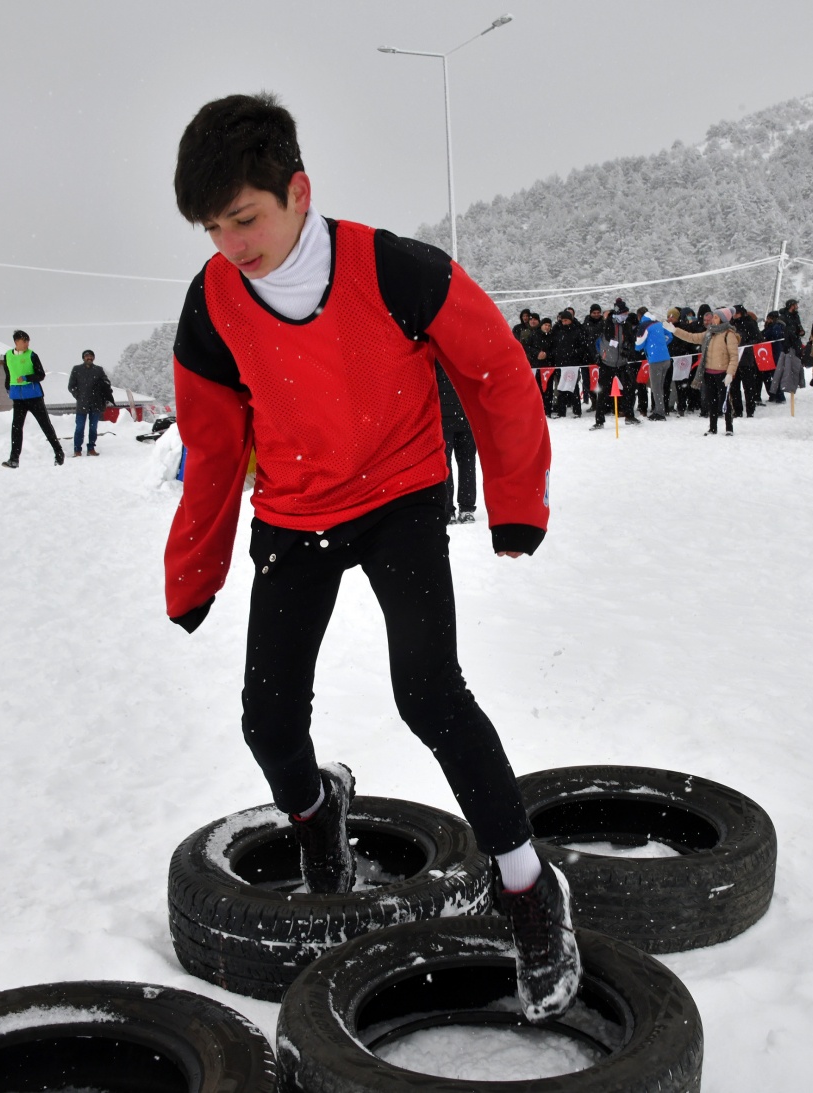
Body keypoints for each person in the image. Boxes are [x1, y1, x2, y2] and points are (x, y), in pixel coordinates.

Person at [164, 93, 576, 1020]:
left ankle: (528, 890)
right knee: (267, 721)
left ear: (297, 190)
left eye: (246, 218)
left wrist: (515, 499)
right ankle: (320, 815)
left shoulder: (395, 269)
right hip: (295, 514)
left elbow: (497, 371)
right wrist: (194, 570)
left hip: (399, 498)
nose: (232, 243)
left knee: (429, 691)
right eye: (212, 227)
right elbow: (214, 446)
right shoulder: (213, 305)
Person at [669, 306, 741, 435]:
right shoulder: (709, 333)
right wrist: (675, 331)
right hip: (709, 373)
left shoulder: (729, 335)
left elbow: (734, 356)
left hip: (723, 373)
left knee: (725, 402)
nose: (712, 319)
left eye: (716, 317)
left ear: (722, 319)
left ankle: (729, 427)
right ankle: (713, 427)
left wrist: (730, 372)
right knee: (711, 401)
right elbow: (692, 337)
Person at [1, 330, 65, 468]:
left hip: (34, 396)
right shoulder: (7, 356)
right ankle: (14, 459)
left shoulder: (32, 355)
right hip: (18, 398)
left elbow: (41, 375)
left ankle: (59, 452)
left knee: (45, 425)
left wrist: (26, 378)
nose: (27, 344)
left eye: (28, 341)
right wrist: (8, 388)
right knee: (16, 428)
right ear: (16, 341)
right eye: (24, 341)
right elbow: (8, 374)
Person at [436, 363, 478, 524]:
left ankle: (458, 508)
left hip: (462, 416)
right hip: (452, 416)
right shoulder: (467, 350)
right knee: (461, 463)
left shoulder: (435, 347)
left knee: (459, 463)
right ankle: (456, 508)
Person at [67, 349, 115, 457]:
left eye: (91, 356)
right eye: (86, 356)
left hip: (96, 403)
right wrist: (78, 395)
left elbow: (106, 382)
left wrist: (104, 387)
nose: (89, 358)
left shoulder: (98, 370)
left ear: (93, 358)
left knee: (93, 428)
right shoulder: (77, 369)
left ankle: (91, 448)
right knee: (79, 427)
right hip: (82, 404)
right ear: (83, 358)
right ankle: (77, 450)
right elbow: (71, 386)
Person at [636, 312, 675, 420]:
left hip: (655, 360)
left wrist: (642, 348)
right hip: (666, 359)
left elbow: (639, 344)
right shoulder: (659, 324)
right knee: (660, 386)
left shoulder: (645, 326)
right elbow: (669, 336)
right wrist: (661, 345)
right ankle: (661, 409)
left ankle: (659, 412)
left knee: (656, 387)